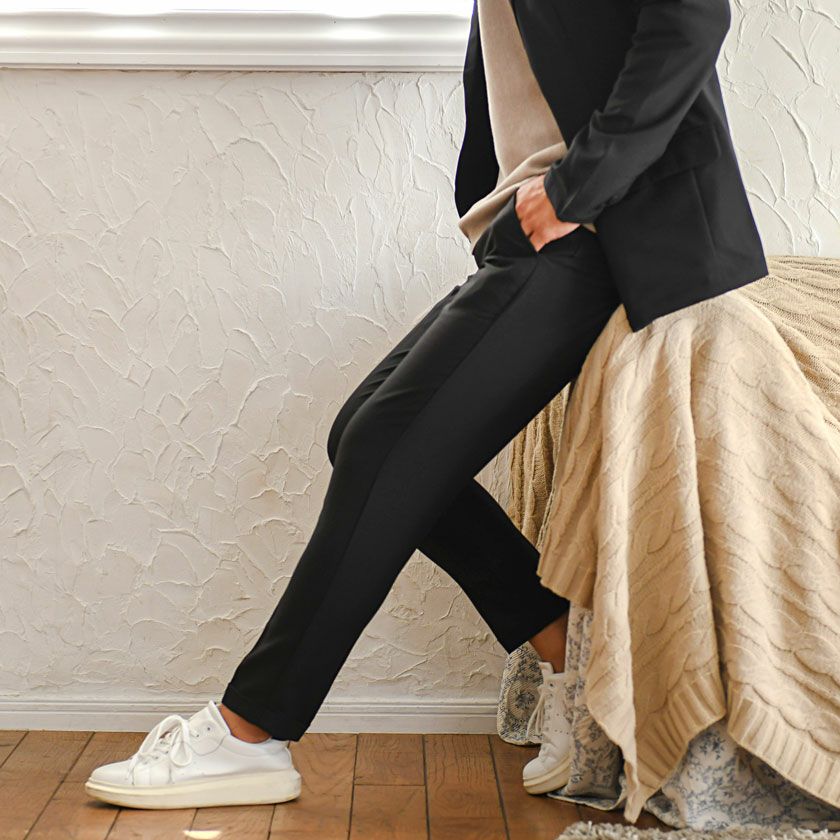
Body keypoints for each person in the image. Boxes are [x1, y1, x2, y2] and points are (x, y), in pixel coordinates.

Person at [85, 0, 767, 811]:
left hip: (605, 223)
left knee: (384, 441)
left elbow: (691, 19)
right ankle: (564, 652)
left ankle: (250, 731)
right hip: (534, 226)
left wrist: (577, 188)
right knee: (360, 433)